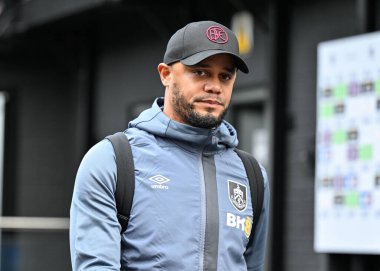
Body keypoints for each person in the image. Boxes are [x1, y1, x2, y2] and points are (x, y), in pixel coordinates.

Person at [70, 20, 270, 271]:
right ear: (166, 74)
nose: (214, 86)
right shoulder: (113, 161)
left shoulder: (252, 175)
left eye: (225, 76)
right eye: (200, 72)